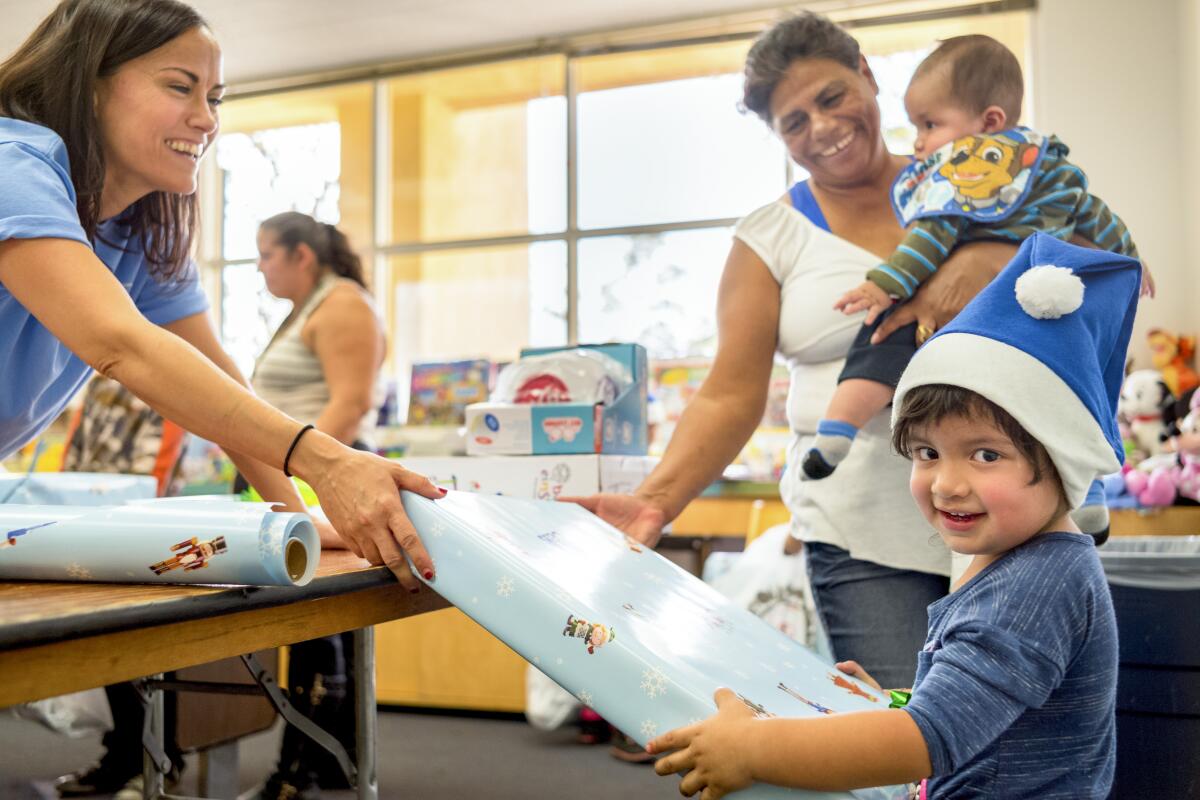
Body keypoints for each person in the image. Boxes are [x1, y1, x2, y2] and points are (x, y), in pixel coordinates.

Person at [0, 2, 439, 794]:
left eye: (217, 98)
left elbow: (220, 388)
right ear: (88, 85)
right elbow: (120, 344)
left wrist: (301, 512)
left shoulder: (143, 229)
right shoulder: (11, 162)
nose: (205, 119)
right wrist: (325, 461)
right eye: (181, 87)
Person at [570, 11, 1017, 691]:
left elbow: (1071, 260)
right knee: (908, 733)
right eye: (795, 122)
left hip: (1008, 508)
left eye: (832, 98)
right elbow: (729, 392)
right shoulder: (769, 238)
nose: (823, 129)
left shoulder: (972, 178)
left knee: (1013, 729)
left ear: (867, 76)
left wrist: (981, 256)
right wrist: (656, 500)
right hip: (863, 529)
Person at [648, 233, 1134, 799]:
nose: (947, 483)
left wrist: (749, 748)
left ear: (1061, 457)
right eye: (927, 453)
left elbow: (924, 741)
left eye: (985, 455)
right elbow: (981, 718)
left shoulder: (1032, 588)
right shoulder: (1022, 558)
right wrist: (891, 704)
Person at [803, 35, 1143, 492]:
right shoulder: (1050, 167)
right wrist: (1131, 259)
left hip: (985, 313)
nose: (920, 141)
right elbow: (1096, 215)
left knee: (884, 328)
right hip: (1031, 311)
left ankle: (837, 430)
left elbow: (930, 237)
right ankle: (1089, 496)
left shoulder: (962, 175)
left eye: (929, 124)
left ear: (990, 122)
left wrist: (884, 283)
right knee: (1060, 395)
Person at [239, 212, 386, 800]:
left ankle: (300, 773)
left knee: (316, 630)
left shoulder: (343, 304)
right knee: (314, 630)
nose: (259, 266)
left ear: (303, 256)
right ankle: (326, 766)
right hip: (296, 478)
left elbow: (350, 405)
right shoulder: (304, 311)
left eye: (267, 254)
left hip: (325, 477)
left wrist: (303, 481)